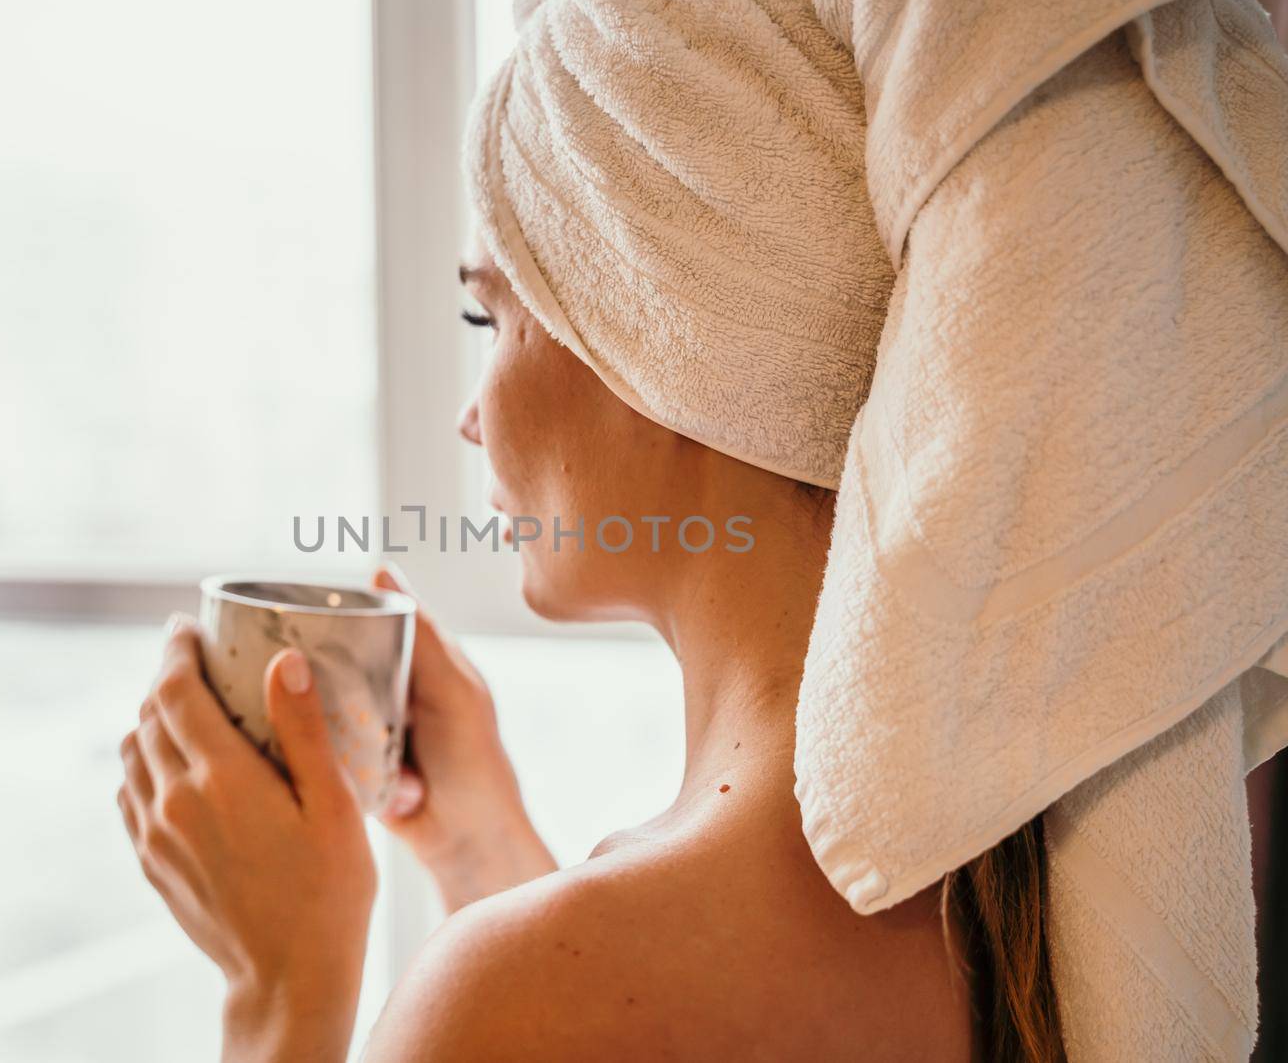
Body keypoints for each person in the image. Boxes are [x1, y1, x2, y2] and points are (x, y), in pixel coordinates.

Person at [115, 240, 1064, 1059]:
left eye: (486, 318)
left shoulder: (510, 1006)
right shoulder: (1008, 886)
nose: (469, 417)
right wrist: (479, 848)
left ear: (653, 340)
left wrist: (280, 992)